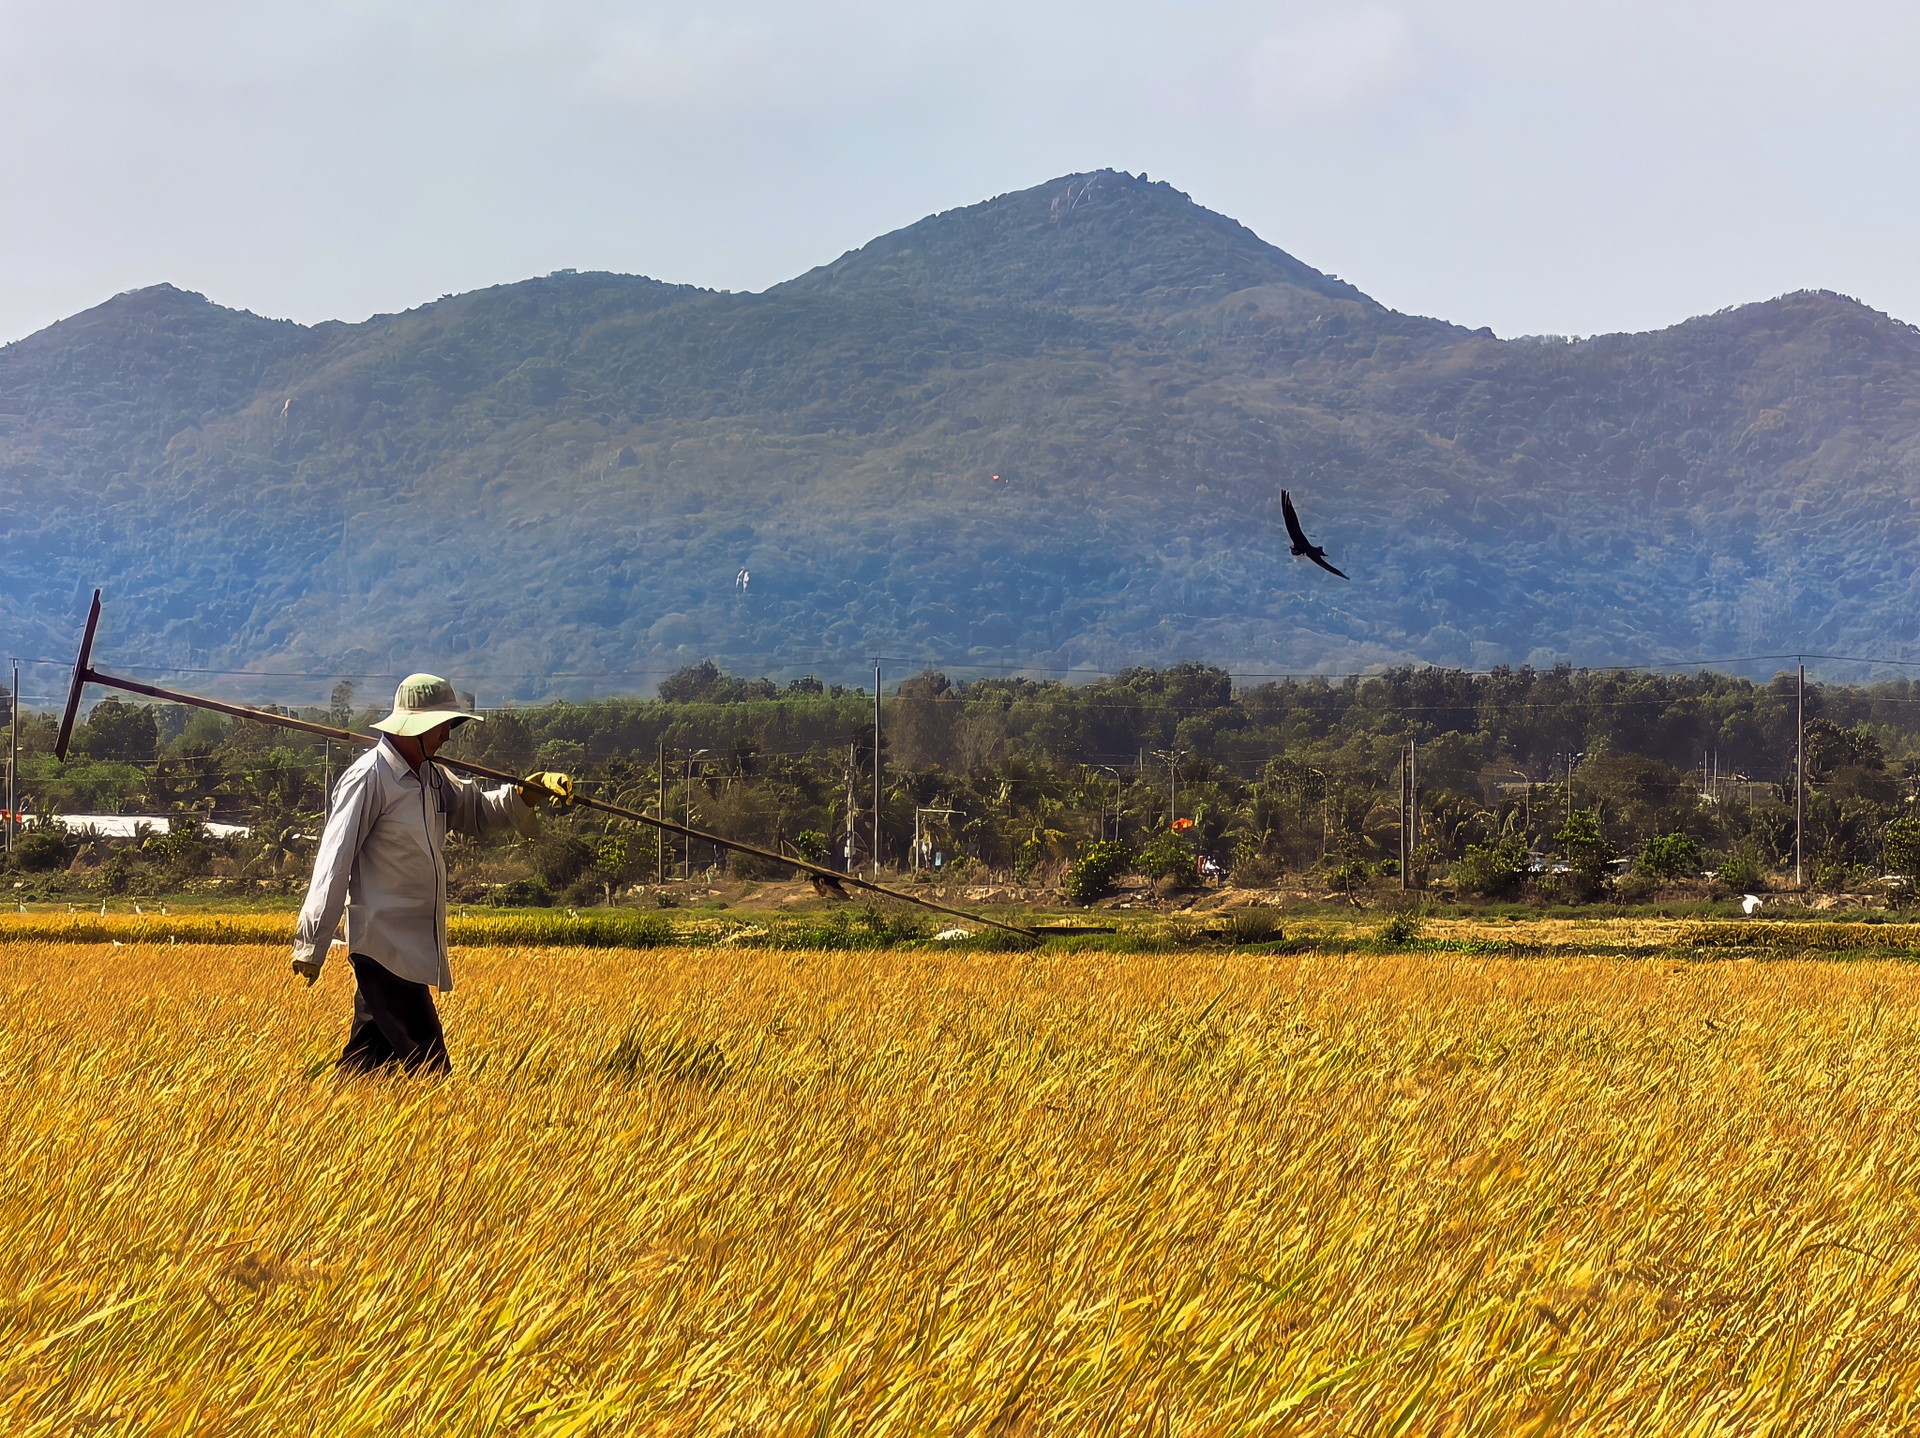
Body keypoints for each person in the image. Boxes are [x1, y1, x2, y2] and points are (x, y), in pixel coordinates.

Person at [291, 673, 573, 1074]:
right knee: (429, 1067)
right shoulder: (370, 779)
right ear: (418, 726)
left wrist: (527, 793)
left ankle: (320, 1114)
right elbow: (334, 861)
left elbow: (477, 811)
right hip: (383, 945)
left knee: (369, 1066)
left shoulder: (432, 778)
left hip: (411, 946)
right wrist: (311, 943)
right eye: (444, 725)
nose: (448, 735)